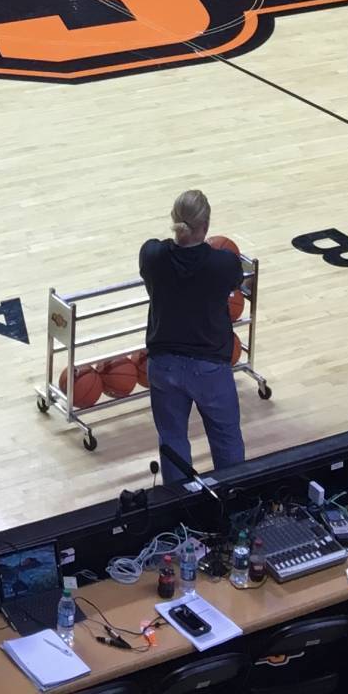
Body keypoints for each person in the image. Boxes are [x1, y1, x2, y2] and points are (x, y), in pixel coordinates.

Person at [139, 189, 245, 484]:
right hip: (209, 365)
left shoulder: (151, 255)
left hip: (164, 365)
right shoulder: (223, 264)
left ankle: (179, 515)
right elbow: (234, 280)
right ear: (206, 226)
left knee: (172, 441)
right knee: (226, 440)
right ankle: (232, 506)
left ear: (173, 220)